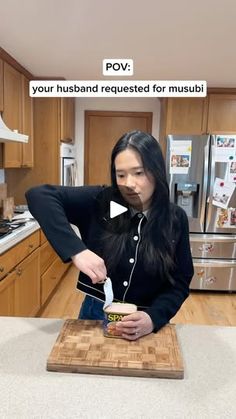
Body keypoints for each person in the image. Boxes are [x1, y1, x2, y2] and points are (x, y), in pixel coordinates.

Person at [26, 130, 194, 340]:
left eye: (139, 173)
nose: (129, 183)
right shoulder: (101, 202)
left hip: (146, 321)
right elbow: (39, 195)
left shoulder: (175, 218)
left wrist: (153, 317)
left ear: (156, 171)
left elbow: (180, 281)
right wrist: (77, 250)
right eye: (121, 174)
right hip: (95, 315)